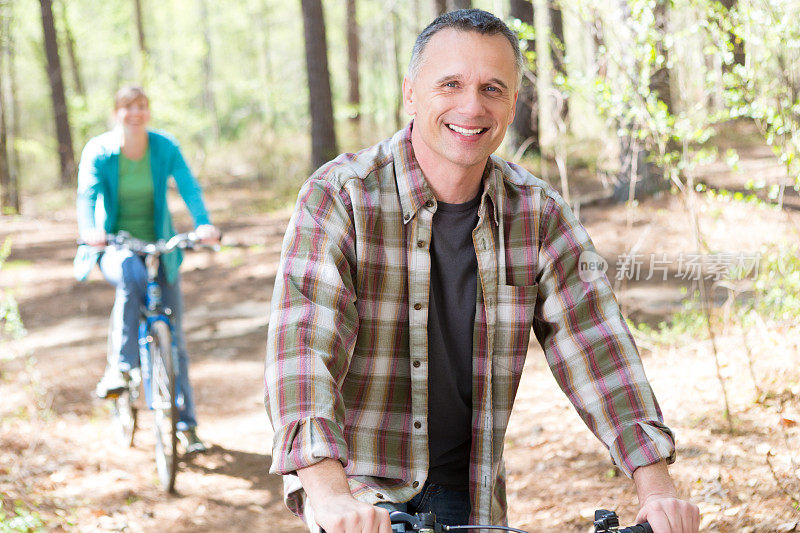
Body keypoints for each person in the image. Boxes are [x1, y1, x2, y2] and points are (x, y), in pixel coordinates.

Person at [265, 9, 699, 533]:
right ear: (410, 93)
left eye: (492, 88)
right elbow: (302, 353)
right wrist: (330, 495)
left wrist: (657, 491)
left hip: (469, 497)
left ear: (512, 103)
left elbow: (599, 346)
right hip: (357, 491)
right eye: (450, 84)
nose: (472, 106)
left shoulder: (538, 214)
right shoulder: (339, 197)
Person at [75, 85, 219, 454]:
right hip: (115, 245)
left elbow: (187, 184)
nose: (135, 113)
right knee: (130, 274)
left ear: (148, 111)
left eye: (141, 106)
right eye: (128, 107)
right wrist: (90, 230)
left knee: (175, 340)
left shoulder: (164, 146)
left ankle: (186, 426)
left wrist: (203, 223)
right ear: (116, 112)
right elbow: (87, 195)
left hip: (159, 247)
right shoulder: (100, 151)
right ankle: (121, 368)